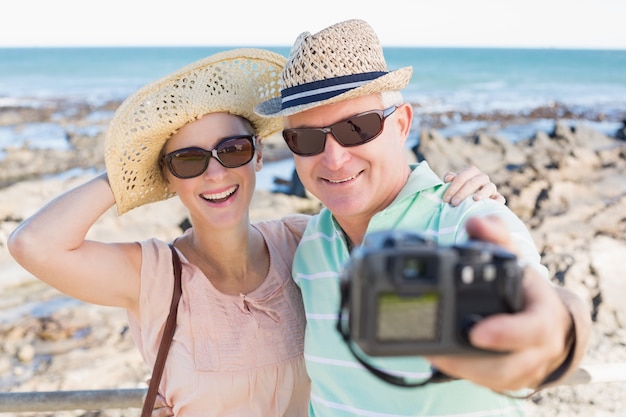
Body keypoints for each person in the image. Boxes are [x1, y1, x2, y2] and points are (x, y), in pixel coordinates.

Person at [7, 48, 503, 416]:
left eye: (233, 151)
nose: (216, 174)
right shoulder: (152, 275)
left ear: (260, 155)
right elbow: (33, 244)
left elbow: (382, 201)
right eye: (189, 160)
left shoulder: (307, 242)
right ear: (169, 177)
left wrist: (453, 193)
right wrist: (129, 172)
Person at [254, 19, 592, 417]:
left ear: (401, 125)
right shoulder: (309, 247)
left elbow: (541, 315)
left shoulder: (465, 221)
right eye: (307, 139)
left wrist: (556, 331)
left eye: (357, 128)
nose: (334, 157)